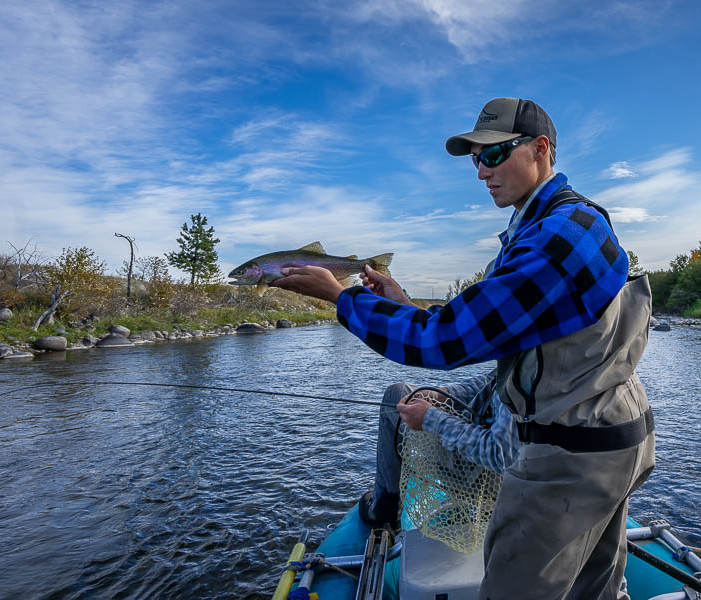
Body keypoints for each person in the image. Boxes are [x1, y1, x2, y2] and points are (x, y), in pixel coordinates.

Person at [272, 97, 655, 600]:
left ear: (540, 149)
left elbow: (445, 341)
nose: (481, 172)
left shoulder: (555, 238)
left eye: (493, 155)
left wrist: (341, 299)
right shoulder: (561, 223)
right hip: (612, 438)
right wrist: (405, 304)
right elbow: (501, 331)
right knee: (594, 592)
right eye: (476, 158)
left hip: (567, 459)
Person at [358, 371, 519, 529]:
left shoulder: (526, 372)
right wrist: (443, 395)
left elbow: (503, 456)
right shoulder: (533, 353)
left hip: (483, 476)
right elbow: (491, 380)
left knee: (396, 393)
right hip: (496, 474)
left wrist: (430, 419)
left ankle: (384, 509)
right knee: (408, 393)